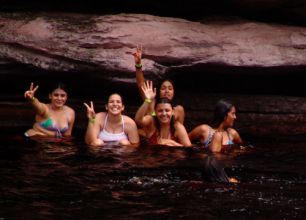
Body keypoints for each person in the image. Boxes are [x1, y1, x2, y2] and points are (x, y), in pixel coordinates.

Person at [132, 45, 185, 124]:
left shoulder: (178, 109)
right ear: (158, 91)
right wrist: (138, 65)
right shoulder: (151, 102)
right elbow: (141, 85)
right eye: (163, 88)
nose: (166, 91)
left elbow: (180, 130)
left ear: (174, 92)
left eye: (170, 89)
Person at [135, 80, 191, 147]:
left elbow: (188, 148)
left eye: (167, 110)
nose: (164, 114)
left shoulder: (178, 127)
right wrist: (147, 100)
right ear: (155, 112)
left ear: (172, 112)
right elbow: (138, 120)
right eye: (160, 111)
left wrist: (171, 143)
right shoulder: (152, 122)